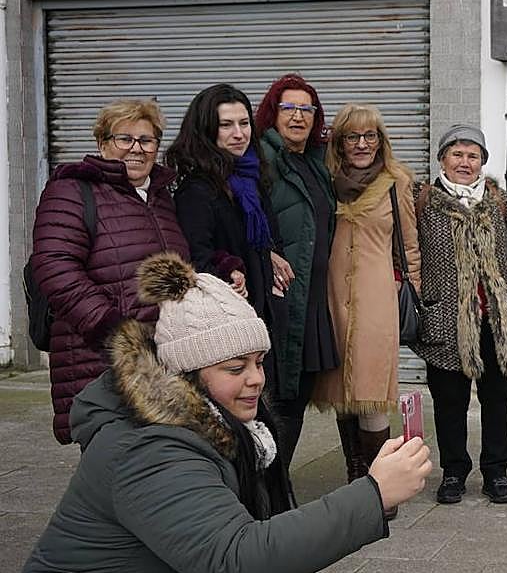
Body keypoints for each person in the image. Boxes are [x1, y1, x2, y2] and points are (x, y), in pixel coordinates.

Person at [0, 252, 432, 573]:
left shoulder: (206, 426)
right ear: (189, 373)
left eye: (258, 361)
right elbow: (239, 556)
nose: (255, 379)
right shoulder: (150, 449)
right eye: (234, 368)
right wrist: (372, 494)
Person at [29, 98, 191, 445]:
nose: (137, 149)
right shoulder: (71, 190)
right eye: (124, 139)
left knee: (154, 467)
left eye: (147, 141)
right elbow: (55, 267)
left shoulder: (160, 198)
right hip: (99, 358)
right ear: (103, 143)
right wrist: (112, 330)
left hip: (158, 362)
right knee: (113, 465)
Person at [411, 124, 507, 505]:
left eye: (473, 156)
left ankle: (496, 472)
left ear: (482, 161)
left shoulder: (500, 202)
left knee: (498, 399)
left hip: (496, 322)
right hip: (444, 320)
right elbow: (405, 254)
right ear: (442, 159)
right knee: (449, 402)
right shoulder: (423, 202)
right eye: (457, 154)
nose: (464, 162)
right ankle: (453, 472)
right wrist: (422, 300)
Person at [310, 104, 421, 511]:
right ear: (339, 142)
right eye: (352, 137)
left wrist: (411, 289)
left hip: (378, 299)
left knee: (373, 390)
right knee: (343, 388)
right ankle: (356, 475)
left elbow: (410, 245)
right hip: (331, 296)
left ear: (380, 141)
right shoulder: (323, 181)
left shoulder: (396, 182)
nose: (361, 145)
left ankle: (381, 488)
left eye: (369, 136)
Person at [167, 83, 293, 391]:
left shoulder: (250, 177)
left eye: (244, 122)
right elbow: (195, 257)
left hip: (259, 317)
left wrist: (269, 255)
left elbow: (259, 238)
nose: (239, 133)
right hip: (225, 329)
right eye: (226, 125)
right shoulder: (197, 189)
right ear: (206, 129)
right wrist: (228, 271)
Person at [255, 73, 338, 471]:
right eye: (289, 107)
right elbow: (243, 220)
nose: (298, 116)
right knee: (275, 401)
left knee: (296, 399)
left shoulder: (315, 162)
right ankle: (266, 490)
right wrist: (265, 253)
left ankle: (277, 483)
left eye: (307, 109)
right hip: (278, 302)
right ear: (273, 113)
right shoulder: (260, 161)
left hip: (310, 302)